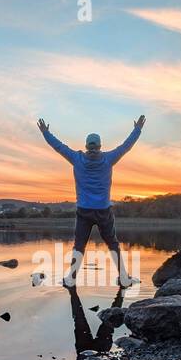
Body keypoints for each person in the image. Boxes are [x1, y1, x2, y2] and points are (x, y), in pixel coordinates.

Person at [37, 115, 145, 287]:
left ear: (86, 146)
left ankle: (71, 279)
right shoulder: (108, 158)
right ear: (100, 146)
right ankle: (124, 278)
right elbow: (126, 147)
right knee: (113, 244)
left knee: (79, 245)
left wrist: (45, 132)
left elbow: (59, 147)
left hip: (84, 211)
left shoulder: (77, 158)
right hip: (103, 211)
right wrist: (137, 129)